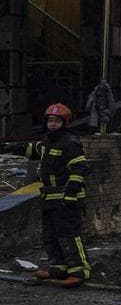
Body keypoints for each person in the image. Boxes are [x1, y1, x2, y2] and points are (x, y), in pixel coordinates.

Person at [11, 104, 90, 286]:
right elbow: (34, 149)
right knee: (51, 235)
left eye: (56, 121)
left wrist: (70, 195)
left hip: (65, 198)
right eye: (50, 120)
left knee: (69, 235)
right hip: (49, 198)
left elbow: (79, 168)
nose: (52, 124)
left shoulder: (70, 143)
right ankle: (59, 268)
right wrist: (12, 147)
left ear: (65, 123)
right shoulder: (48, 142)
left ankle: (79, 271)